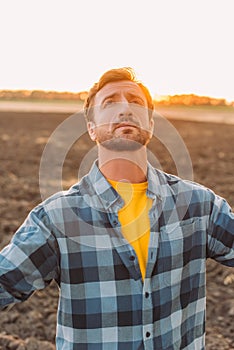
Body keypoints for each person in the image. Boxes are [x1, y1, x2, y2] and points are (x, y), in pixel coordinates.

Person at [0, 67, 233, 349]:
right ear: (91, 128)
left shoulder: (198, 205)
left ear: (150, 124)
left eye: (135, 101)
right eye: (110, 102)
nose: (125, 108)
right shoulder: (56, 219)